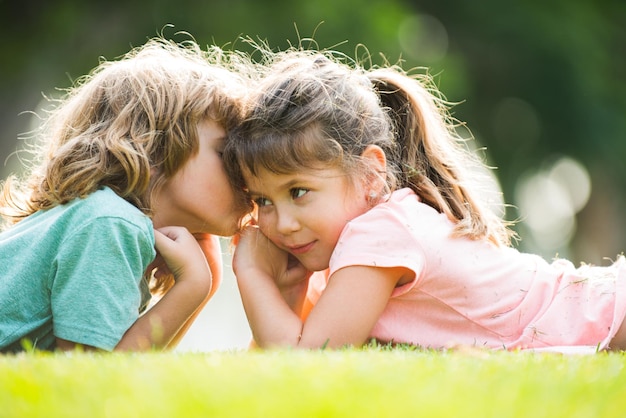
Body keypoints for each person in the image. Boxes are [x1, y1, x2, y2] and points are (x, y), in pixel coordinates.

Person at [223, 47, 626, 353]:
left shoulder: (379, 235)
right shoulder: (366, 238)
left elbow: (306, 357)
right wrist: (289, 288)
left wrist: (253, 273)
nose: (282, 223)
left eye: (298, 192)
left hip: (605, 312)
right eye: (263, 201)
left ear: (370, 174)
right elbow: (287, 342)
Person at [0, 37, 253, 353]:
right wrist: (191, 287)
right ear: (155, 151)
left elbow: (128, 371)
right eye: (225, 152)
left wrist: (204, 285)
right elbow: (87, 377)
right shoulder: (109, 222)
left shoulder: (102, 218)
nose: (245, 170)